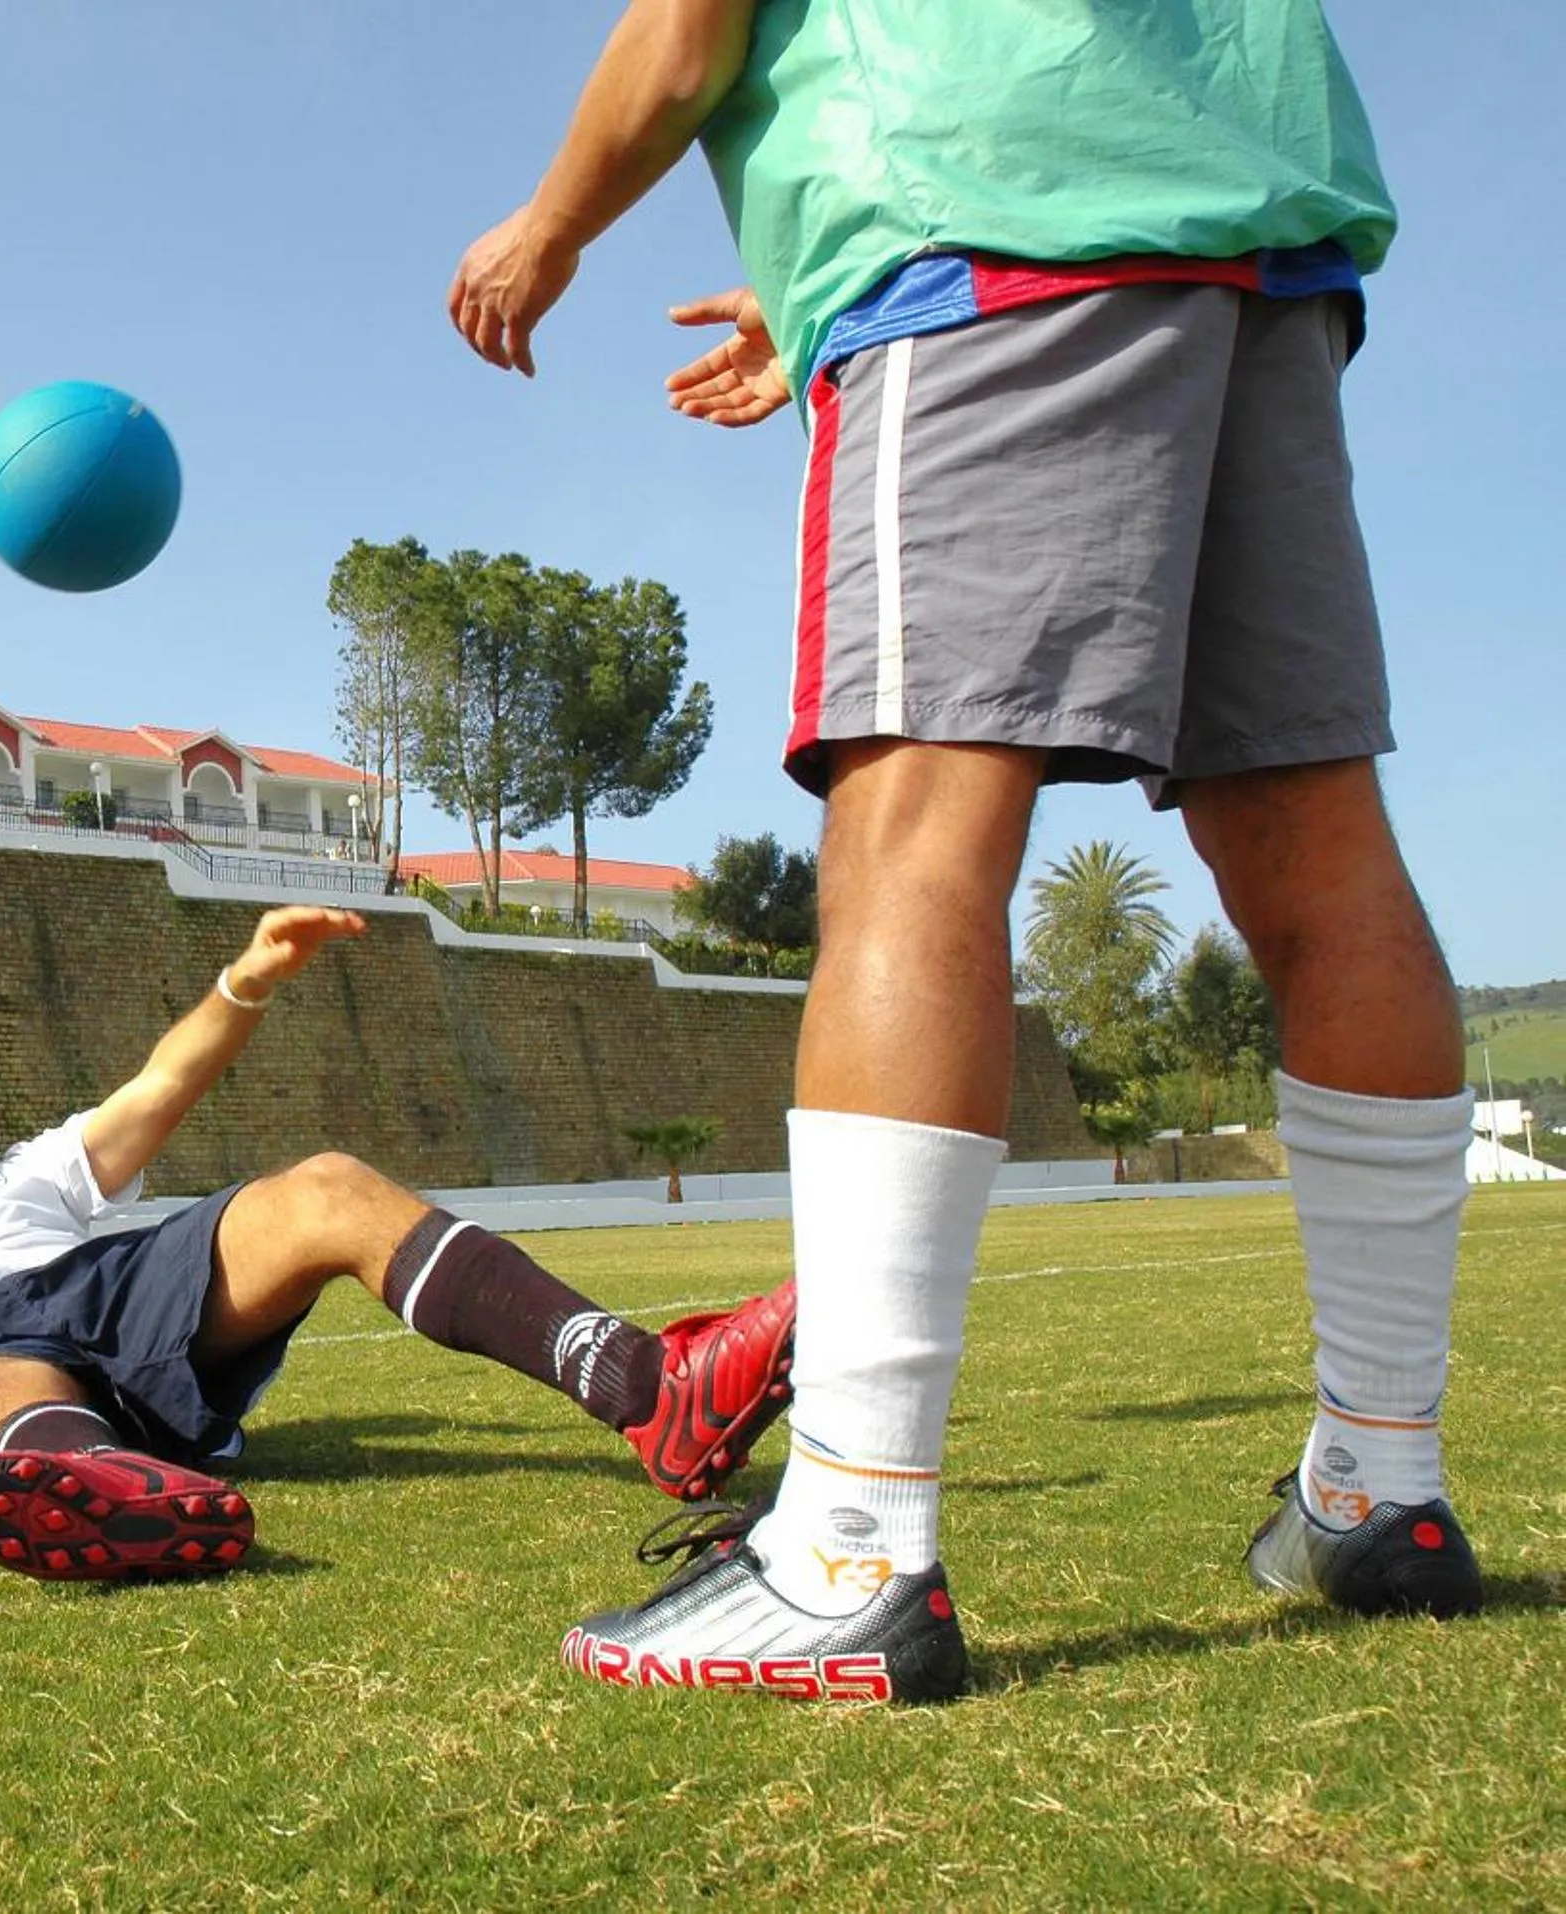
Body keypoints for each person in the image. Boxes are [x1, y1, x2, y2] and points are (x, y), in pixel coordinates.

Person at [450, 0, 1480, 1702]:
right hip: (1261, 250)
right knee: (1324, 853)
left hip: (986, 217)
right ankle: (1382, 1480)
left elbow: (690, 32)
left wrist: (547, 224)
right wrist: (802, 284)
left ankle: (848, 1545)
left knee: (912, 836)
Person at [0, 907, 800, 1580]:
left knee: (327, 1188)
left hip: (113, 1293)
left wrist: (247, 979)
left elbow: (160, 1087)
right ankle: (97, 1482)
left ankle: (651, 1390)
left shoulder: (27, 1175)